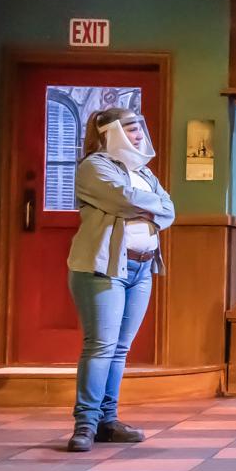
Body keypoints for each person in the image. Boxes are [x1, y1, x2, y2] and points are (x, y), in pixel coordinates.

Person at [65, 108, 175, 452]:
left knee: (119, 349)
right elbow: (124, 199)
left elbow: (169, 210)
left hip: (141, 270)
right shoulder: (94, 166)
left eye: (140, 129)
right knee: (101, 345)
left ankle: (106, 422)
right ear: (110, 133)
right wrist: (146, 206)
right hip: (103, 269)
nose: (139, 136)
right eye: (131, 129)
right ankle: (85, 425)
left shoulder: (143, 172)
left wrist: (147, 206)